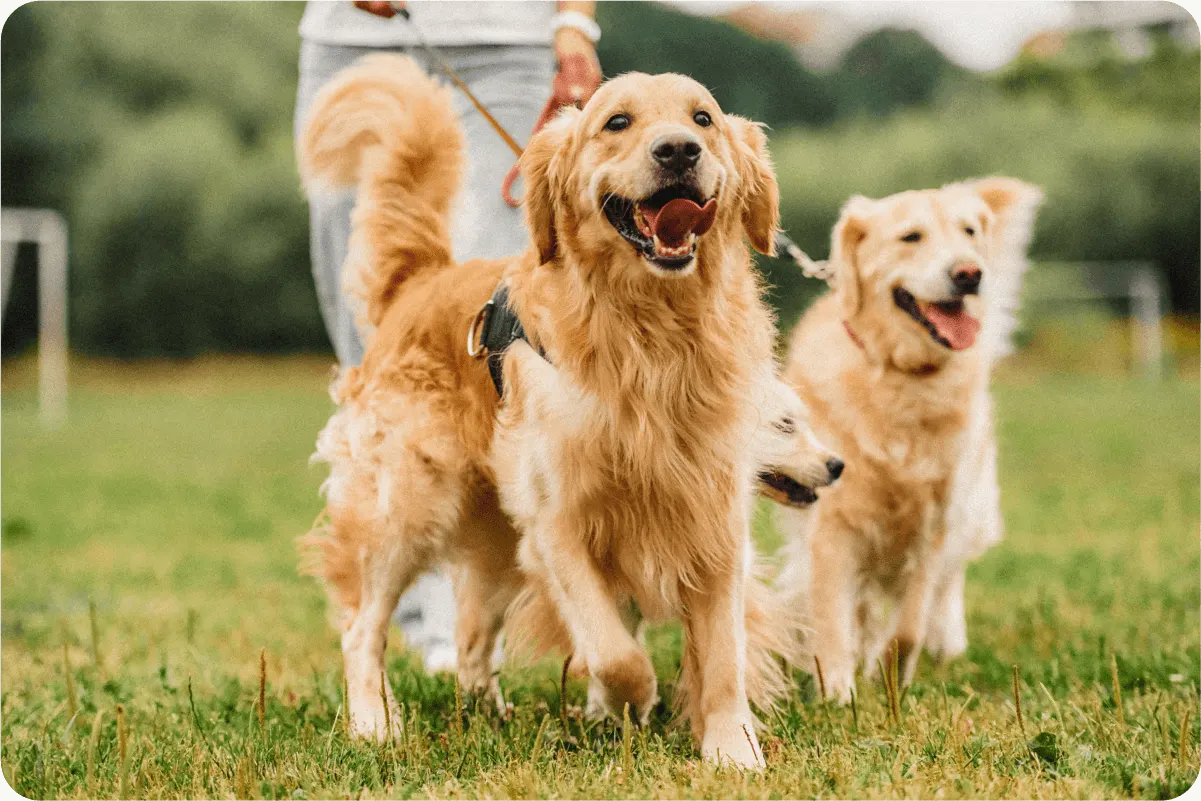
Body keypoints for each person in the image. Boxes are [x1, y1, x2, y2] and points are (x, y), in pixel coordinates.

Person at [295, 0, 602, 673]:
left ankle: (457, 633)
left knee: (492, 333)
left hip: (507, 44)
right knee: (377, 332)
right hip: (346, 38)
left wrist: (573, 26)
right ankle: (392, 599)